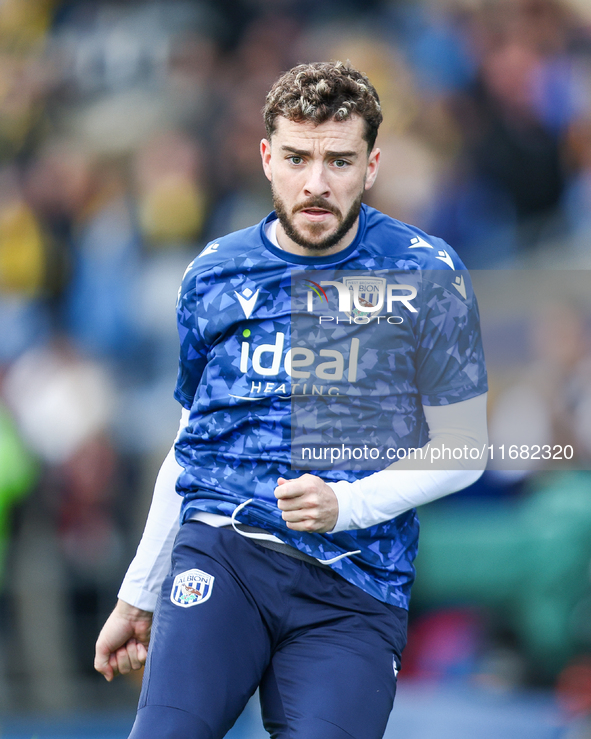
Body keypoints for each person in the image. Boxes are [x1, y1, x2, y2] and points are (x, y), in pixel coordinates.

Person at [94, 61, 489, 739]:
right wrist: (140, 589)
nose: (316, 182)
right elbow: (191, 445)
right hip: (224, 552)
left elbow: (466, 448)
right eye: (297, 158)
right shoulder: (215, 272)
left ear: (370, 165)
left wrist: (347, 505)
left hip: (355, 585)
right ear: (265, 158)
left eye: (338, 160)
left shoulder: (426, 271)